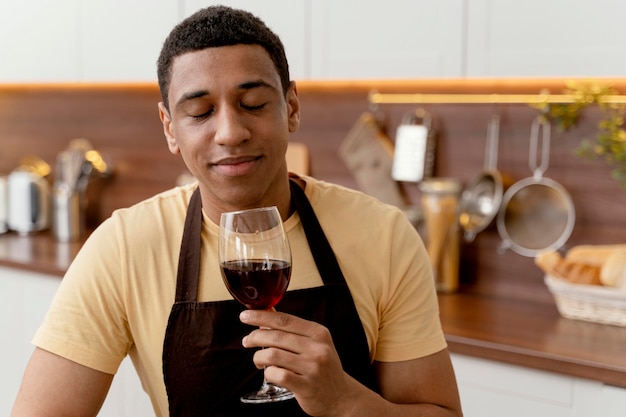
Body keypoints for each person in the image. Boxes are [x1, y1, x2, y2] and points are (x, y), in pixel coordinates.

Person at [11, 5, 462, 417]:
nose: (229, 132)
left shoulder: (382, 235)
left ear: (291, 107)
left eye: (253, 104)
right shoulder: (124, 247)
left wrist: (346, 401)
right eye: (201, 112)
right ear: (170, 128)